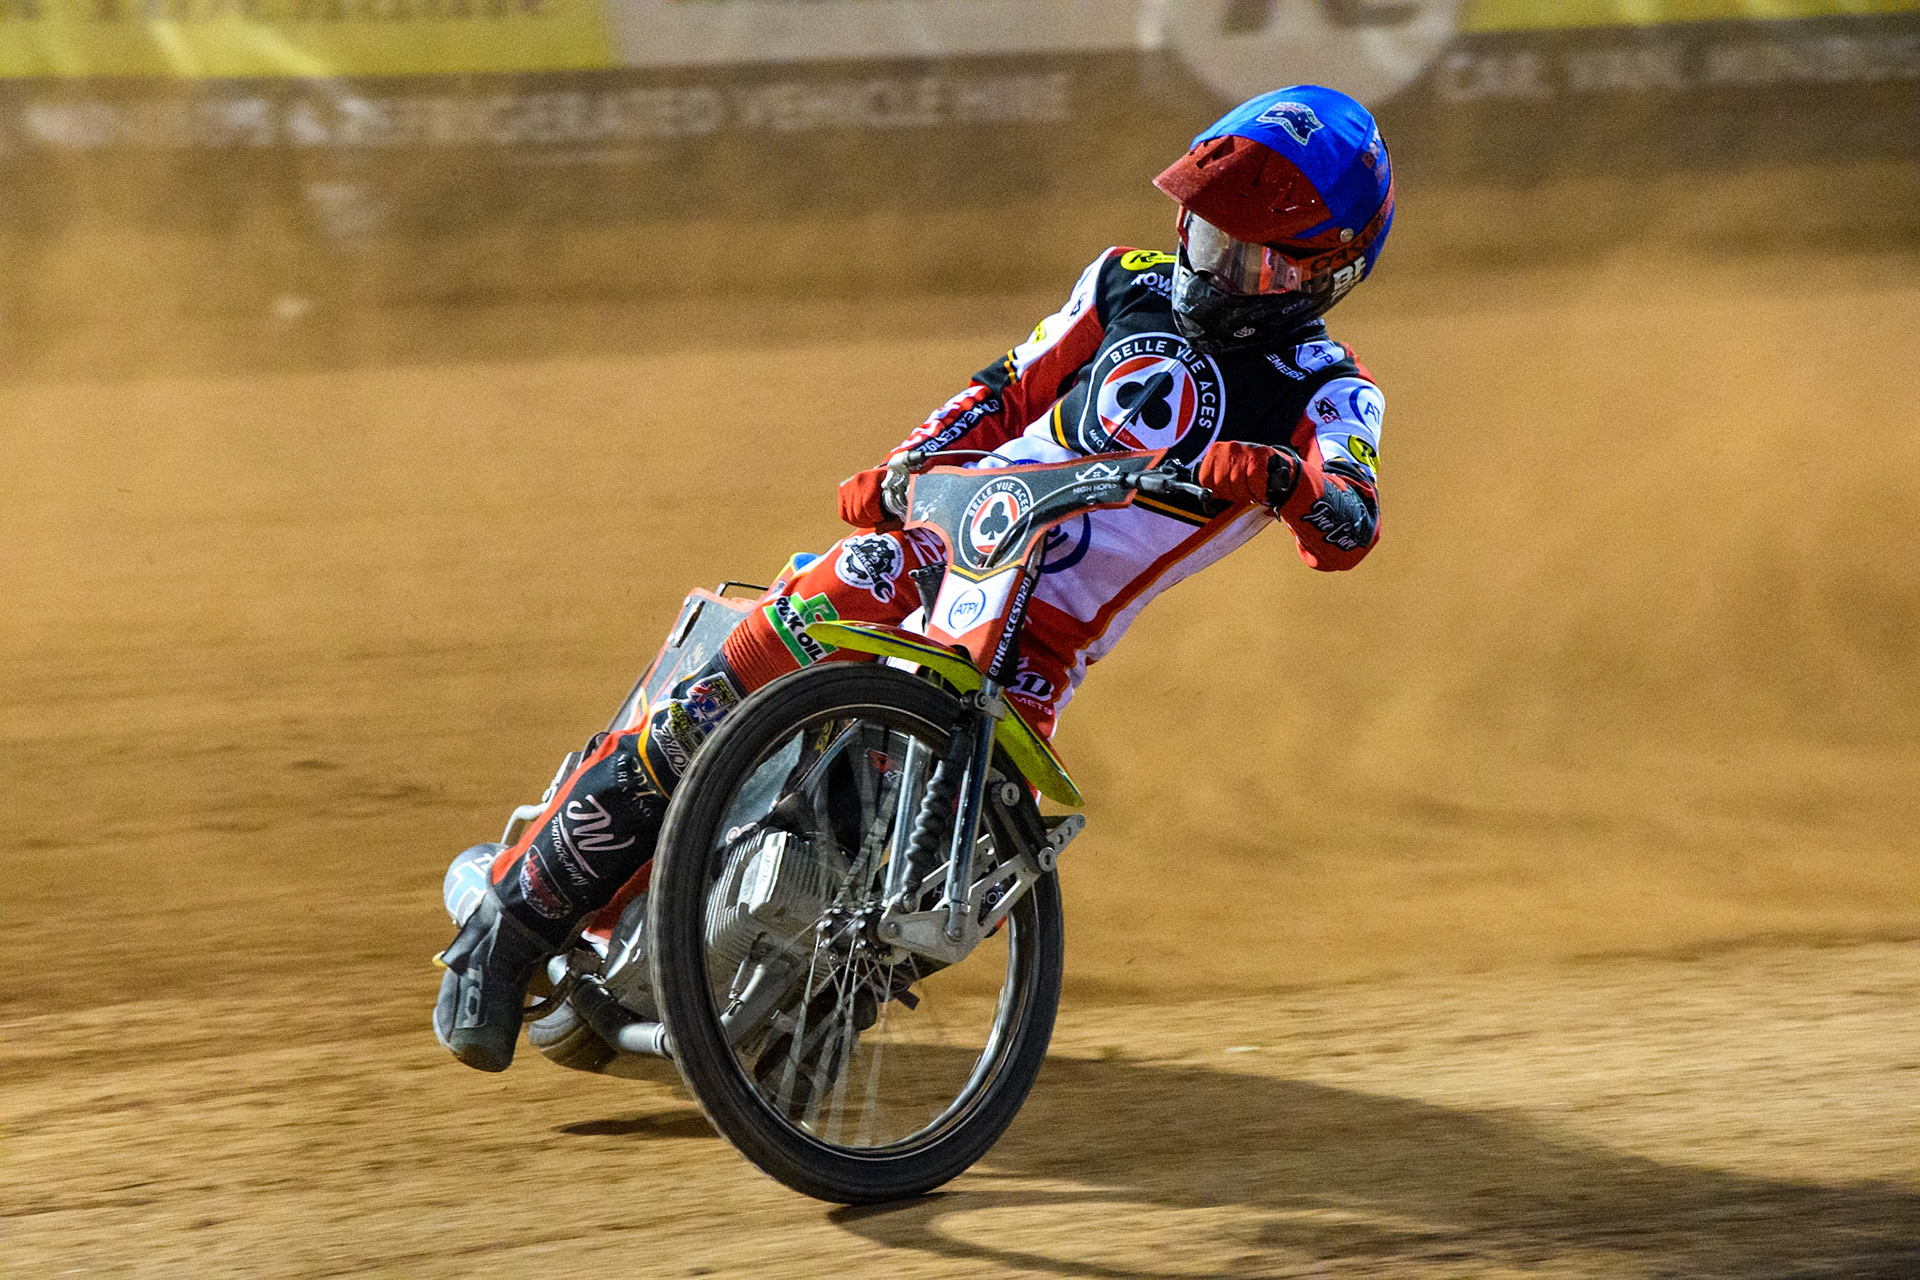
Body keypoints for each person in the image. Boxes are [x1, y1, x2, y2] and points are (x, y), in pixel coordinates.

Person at [435, 83, 1394, 1071]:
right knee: (741, 675)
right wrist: (904, 469)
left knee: (976, 868)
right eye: (1203, 234)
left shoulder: (1332, 390)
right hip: (944, 539)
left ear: (1327, 275)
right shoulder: (1123, 281)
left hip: (1040, 642)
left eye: (1247, 257)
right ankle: (507, 927)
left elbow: (1351, 516)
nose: (1211, 266)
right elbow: (1004, 389)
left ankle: (813, 1014)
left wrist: (1289, 479)